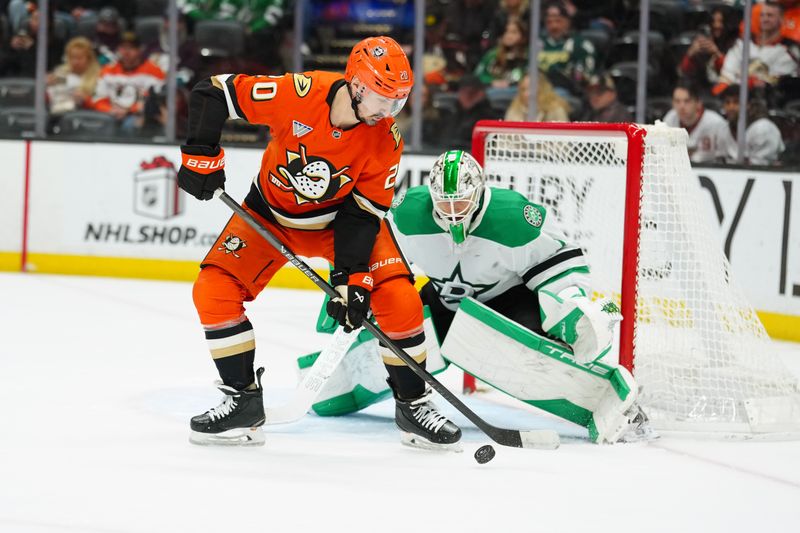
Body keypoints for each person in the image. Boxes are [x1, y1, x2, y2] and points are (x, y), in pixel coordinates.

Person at [177, 36, 462, 450]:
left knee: (398, 298)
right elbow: (214, 91)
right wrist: (201, 156)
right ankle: (241, 400)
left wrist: (353, 278)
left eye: (399, 101)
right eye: (384, 98)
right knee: (213, 290)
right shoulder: (297, 93)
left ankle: (413, 404)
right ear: (358, 85)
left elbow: (363, 215)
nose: (390, 111)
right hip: (269, 217)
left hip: (339, 225)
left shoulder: (387, 139)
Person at [300, 150, 654, 444]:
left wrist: (572, 305)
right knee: (405, 327)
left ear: (480, 192)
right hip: (443, 300)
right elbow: (373, 251)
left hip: (506, 302)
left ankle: (617, 406)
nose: (453, 213)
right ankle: (337, 387)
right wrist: (350, 286)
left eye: (461, 203)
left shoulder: (512, 217)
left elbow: (558, 260)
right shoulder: (409, 213)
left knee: (531, 352)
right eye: (445, 204)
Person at [715, 1, 800, 95]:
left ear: (781, 19)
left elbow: (776, 81)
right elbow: (728, 73)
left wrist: (750, 81)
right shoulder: (742, 44)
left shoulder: (788, 49)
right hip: (734, 96)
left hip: (769, 101)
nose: (765, 19)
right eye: (762, 15)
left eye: (770, 15)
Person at [91, 32, 166, 134]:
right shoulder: (108, 70)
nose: (126, 52)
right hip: (111, 113)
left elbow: (155, 102)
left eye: (131, 48)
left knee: (130, 125)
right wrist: (110, 110)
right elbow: (98, 98)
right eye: (123, 48)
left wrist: (130, 110)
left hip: (139, 116)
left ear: (139, 50)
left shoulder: (154, 71)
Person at [663, 80, 733, 163]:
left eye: (687, 101)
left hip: (711, 170)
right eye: (677, 101)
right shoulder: (670, 119)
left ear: (698, 103)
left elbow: (727, 158)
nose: (681, 106)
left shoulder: (717, 123)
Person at [538, 0, 597, 95]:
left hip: (564, 91)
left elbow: (586, 76)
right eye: (549, 22)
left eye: (558, 21)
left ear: (568, 22)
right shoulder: (538, 44)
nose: (554, 26)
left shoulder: (580, 44)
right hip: (535, 89)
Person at [720, 85, 786, 165]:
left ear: (748, 105)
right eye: (727, 102)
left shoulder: (763, 128)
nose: (731, 107)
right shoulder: (724, 129)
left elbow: (762, 166)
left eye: (736, 102)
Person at [46, 36, 101, 114]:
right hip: (57, 111)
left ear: (89, 58)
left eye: (79, 58)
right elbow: (50, 98)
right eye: (72, 57)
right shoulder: (60, 72)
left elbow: (100, 103)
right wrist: (45, 86)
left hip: (83, 114)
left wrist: (86, 99)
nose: (75, 62)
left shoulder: (98, 76)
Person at [474, 16, 529, 88]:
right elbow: (477, 76)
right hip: (493, 92)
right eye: (506, 32)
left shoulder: (528, 56)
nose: (509, 36)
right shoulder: (492, 55)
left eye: (514, 32)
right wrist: (492, 82)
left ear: (523, 37)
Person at [505, 72, 570, 122]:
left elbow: (565, 137)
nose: (526, 94)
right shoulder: (515, 109)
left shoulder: (556, 110)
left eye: (531, 89)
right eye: (523, 89)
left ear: (543, 89)